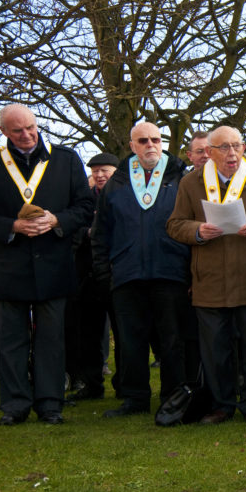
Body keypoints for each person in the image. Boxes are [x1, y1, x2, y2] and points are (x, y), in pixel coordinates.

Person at [167, 126, 246, 425]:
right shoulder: (191, 183)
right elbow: (174, 224)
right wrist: (196, 231)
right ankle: (221, 405)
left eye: (237, 146)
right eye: (224, 147)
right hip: (209, 281)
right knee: (215, 350)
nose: (232, 153)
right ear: (209, 152)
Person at [0, 103, 94, 425]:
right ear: (4, 132)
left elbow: (85, 206)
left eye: (30, 128)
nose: (26, 135)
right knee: (12, 339)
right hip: (9, 267)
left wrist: (56, 220)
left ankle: (50, 403)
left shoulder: (65, 159)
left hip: (54, 265)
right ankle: (15, 405)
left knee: (51, 339)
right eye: (17, 131)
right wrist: (12, 226)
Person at [92, 122, 190, 417]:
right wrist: (104, 272)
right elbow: (101, 232)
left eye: (156, 139)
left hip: (170, 272)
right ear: (132, 145)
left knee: (172, 340)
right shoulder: (118, 182)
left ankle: (173, 396)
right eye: (143, 140)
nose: (151, 145)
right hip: (127, 274)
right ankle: (134, 399)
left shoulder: (180, 177)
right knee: (130, 342)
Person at [66, 152, 119, 402]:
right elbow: (73, 229)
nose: (99, 175)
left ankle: (126, 384)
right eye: (95, 171)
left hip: (116, 273)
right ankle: (92, 383)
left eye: (104, 170)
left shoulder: (123, 197)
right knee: (87, 333)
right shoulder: (85, 201)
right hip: (87, 275)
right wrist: (87, 233)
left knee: (123, 332)